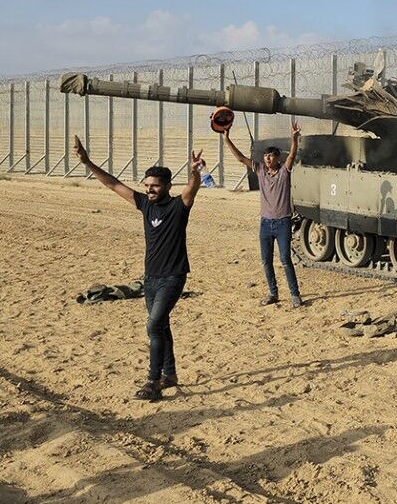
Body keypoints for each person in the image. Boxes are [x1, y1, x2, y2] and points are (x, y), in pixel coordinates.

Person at [73, 135, 205, 402]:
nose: (149, 190)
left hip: (173, 277)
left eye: (155, 186)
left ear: (168, 186)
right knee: (161, 326)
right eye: (146, 186)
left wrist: (194, 173)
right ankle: (170, 375)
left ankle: (153, 381)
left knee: (153, 326)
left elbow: (192, 188)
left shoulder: (179, 206)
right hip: (150, 278)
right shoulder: (145, 205)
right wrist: (87, 162)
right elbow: (113, 184)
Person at [223, 120, 304, 308]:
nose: (267, 159)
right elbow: (241, 158)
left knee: (285, 259)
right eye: (266, 156)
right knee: (266, 261)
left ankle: (294, 294)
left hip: (283, 223)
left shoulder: (284, 171)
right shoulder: (260, 171)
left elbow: (292, 155)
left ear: (277, 158)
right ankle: (273, 293)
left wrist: (294, 139)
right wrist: (227, 140)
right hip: (266, 224)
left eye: (271, 156)